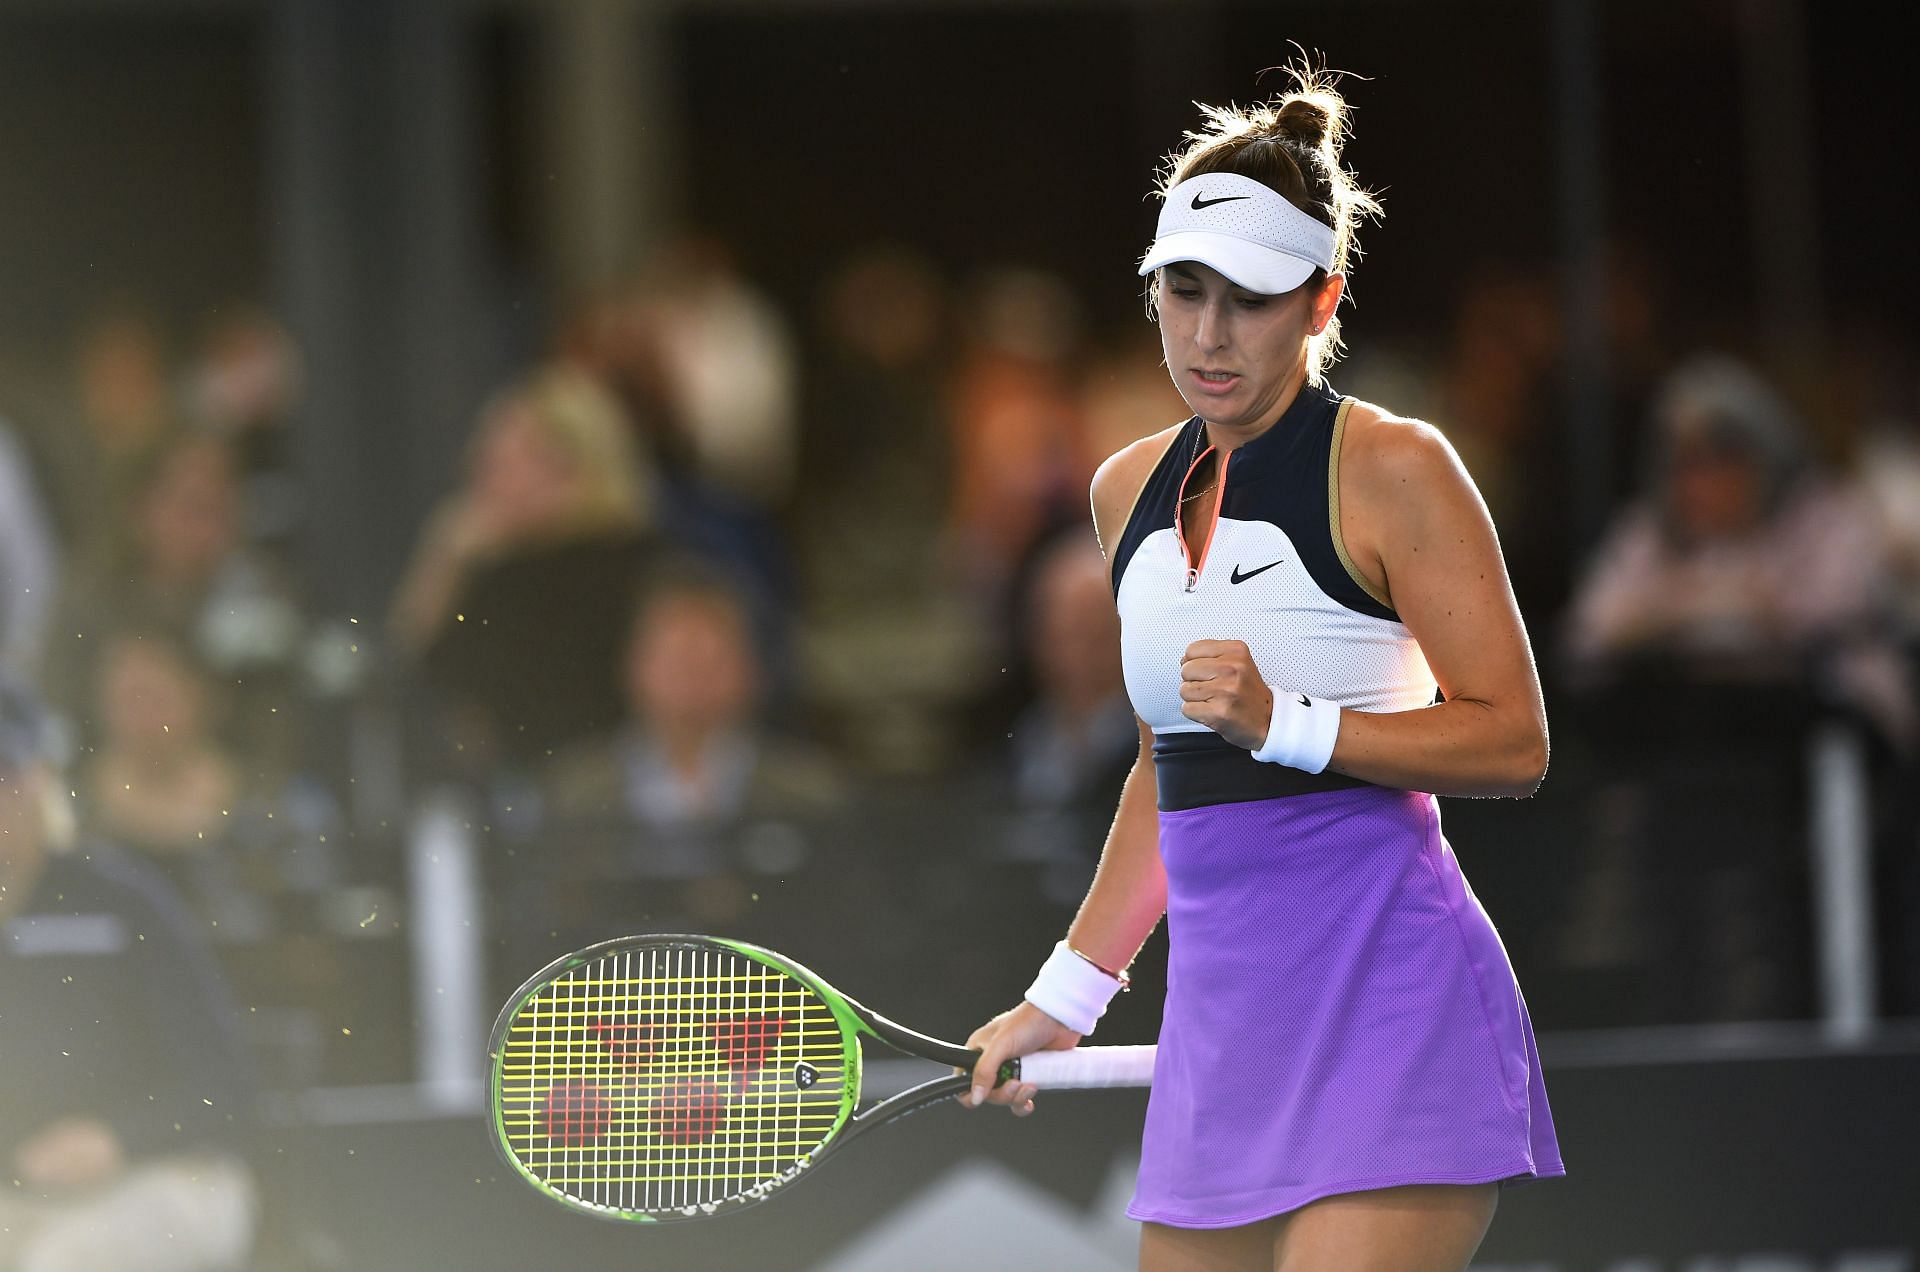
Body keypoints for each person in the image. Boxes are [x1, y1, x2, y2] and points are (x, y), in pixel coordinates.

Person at [963, 69, 1564, 1271]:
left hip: (1397, 1005)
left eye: (1251, 300)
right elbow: (1166, 766)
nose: (1209, 334)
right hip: (1225, 1038)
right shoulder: (1121, 489)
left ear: (1320, 300)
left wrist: (1293, 724)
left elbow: (1513, 741)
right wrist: (1069, 996)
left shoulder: (1398, 467)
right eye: (1184, 294)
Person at [0, 670, 258, 1271]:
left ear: (38, 779)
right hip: (17, 1192)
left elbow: (224, 1085)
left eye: (6, 778)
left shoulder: (121, 903)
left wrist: (118, 1139)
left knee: (66, 1260)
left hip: (163, 1177)